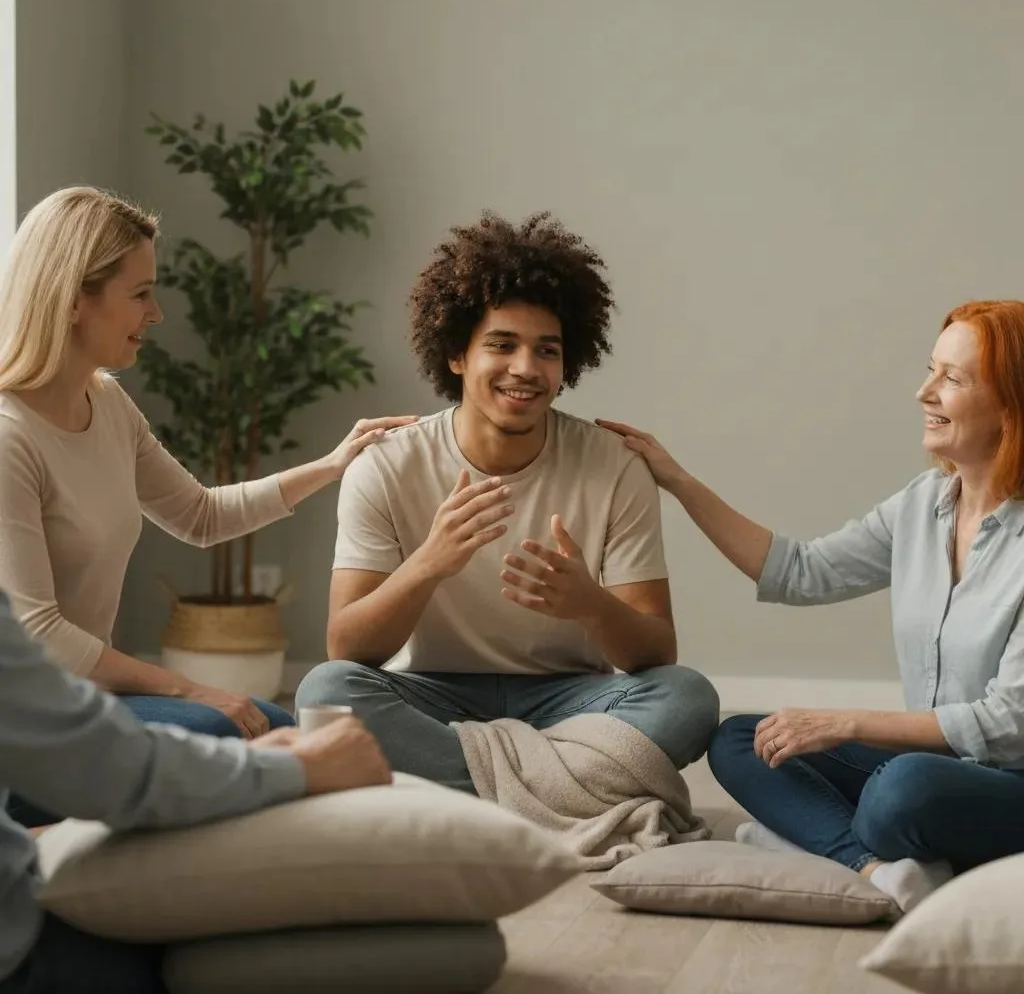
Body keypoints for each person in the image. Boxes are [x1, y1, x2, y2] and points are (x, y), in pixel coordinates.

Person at [0, 187, 413, 824]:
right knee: (238, 732)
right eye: (140, 293)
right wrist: (188, 686)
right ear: (76, 297)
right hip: (28, 728)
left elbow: (200, 514)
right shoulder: (9, 438)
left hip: (88, 704)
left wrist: (332, 467)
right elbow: (42, 637)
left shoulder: (106, 404)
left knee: (285, 727)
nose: (157, 313)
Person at [598, 299, 1024, 913]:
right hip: (927, 768)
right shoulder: (922, 506)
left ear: (1011, 407)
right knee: (744, 740)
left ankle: (820, 836)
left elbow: (1008, 724)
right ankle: (875, 866)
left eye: (952, 379)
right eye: (930, 370)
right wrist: (677, 480)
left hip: (1002, 780)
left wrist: (847, 723)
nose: (923, 392)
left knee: (901, 789)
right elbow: (801, 571)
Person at [296, 211, 719, 793]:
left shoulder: (615, 466)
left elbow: (655, 652)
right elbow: (345, 647)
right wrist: (429, 563)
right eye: (502, 345)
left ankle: (468, 792)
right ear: (457, 355)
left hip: (570, 699)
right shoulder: (387, 465)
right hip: (431, 696)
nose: (526, 368)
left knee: (689, 697)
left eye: (547, 351)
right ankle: (563, 791)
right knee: (325, 692)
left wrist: (590, 604)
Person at [0, 589, 392, 994]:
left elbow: (201, 522)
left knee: (268, 719)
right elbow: (109, 769)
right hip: (21, 957)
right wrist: (297, 768)